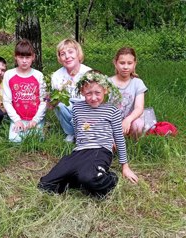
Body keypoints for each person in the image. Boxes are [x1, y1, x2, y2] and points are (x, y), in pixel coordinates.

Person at [38, 70, 138, 198]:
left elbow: (119, 138)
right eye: (88, 93)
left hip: (100, 150)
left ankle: (110, 178)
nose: (93, 97)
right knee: (45, 184)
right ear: (82, 91)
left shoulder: (112, 110)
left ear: (105, 90)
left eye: (97, 92)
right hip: (79, 151)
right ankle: (78, 177)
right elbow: (79, 130)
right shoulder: (77, 108)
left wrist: (125, 167)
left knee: (89, 179)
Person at [3, 39, 47, 142]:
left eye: (27, 57)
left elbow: (44, 101)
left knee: (36, 140)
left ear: (33, 57)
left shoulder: (38, 75)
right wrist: (16, 120)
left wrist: (36, 120)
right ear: (15, 57)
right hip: (18, 118)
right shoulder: (9, 75)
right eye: (21, 57)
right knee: (15, 140)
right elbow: (7, 101)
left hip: (35, 118)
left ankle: (42, 125)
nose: (24, 61)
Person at [50, 38, 92, 142]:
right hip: (68, 106)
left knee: (78, 117)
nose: (67, 56)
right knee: (59, 106)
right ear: (59, 58)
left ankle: (84, 132)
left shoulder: (88, 73)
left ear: (78, 53)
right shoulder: (56, 76)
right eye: (63, 54)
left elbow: (95, 99)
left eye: (70, 52)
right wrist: (50, 98)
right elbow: (52, 105)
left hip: (85, 106)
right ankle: (70, 133)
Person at [110, 47, 148, 138]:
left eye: (129, 63)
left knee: (138, 125)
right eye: (122, 63)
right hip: (111, 122)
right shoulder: (108, 82)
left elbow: (139, 108)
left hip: (130, 121)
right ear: (115, 63)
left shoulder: (137, 83)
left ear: (134, 64)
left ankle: (131, 141)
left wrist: (128, 120)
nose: (125, 67)